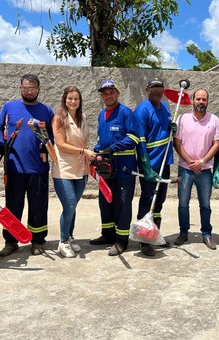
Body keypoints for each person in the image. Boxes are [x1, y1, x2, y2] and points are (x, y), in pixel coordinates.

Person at [0, 74, 54, 257]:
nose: (29, 91)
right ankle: (10, 241)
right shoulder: (9, 108)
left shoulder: (47, 111)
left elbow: (53, 137)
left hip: (38, 168)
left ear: (39, 89)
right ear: (20, 88)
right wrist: (1, 145)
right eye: (26, 88)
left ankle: (37, 241)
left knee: (38, 206)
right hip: (14, 167)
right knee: (13, 206)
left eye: (33, 88)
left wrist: (46, 144)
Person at [89, 80, 139, 256]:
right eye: (104, 93)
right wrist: (96, 153)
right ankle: (108, 234)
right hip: (106, 168)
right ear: (102, 96)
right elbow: (101, 139)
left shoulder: (125, 113)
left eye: (111, 92)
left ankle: (121, 240)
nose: (108, 96)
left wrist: (112, 148)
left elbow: (133, 138)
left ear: (117, 93)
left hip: (124, 167)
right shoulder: (101, 114)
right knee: (105, 201)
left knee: (122, 203)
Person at [51, 86, 96, 257]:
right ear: (64, 99)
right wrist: (83, 152)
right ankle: (62, 242)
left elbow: (83, 141)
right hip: (64, 169)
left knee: (74, 206)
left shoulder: (82, 117)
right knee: (69, 205)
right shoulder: (58, 118)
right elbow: (60, 144)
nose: (73, 101)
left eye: (76, 98)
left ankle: (69, 237)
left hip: (81, 168)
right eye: (70, 98)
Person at [173, 89, 219, 249]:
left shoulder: (214, 120)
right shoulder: (182, 118)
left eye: (204, 99)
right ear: (192, 100)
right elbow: (177, 142)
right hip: (185, 169)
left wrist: (202, 161)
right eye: (198, 99)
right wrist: (190, 162)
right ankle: (183, 233)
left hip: (205, 170)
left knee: (205, 204)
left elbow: (217, 144)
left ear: (207, 101)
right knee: (183, 203)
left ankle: (206, 234)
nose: (201, 102)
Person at [133, 77, 174, 257]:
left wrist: (173, 127)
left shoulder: (164, 107)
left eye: (159, 88)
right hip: (149, 164)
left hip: (164, 162)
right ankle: (144, 241)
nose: (157, 91)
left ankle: (154, 234)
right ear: (147, 90)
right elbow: (140, 142)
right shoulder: (141, 111)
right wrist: (147, 168)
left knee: (160, 201)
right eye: (153, 88)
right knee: (148, 200)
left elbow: (165, 130)